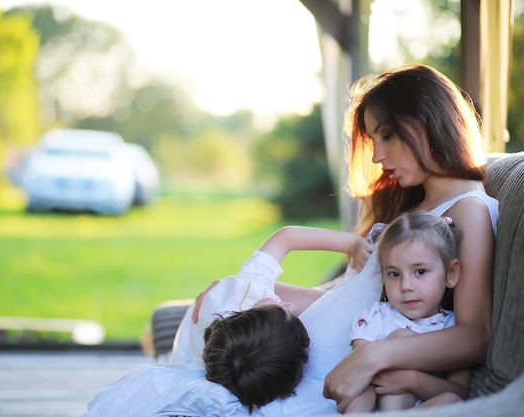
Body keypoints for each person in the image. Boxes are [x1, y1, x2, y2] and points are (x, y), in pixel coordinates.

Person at [82, 64, 499, 417]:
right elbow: (357, 297)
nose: (376, 157)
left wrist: (374, 356)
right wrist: (249, 291)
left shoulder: (468, 210)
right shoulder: (420, 204)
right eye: (374, 140)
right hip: (304, 347)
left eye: (385, 135)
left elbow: (472, 335)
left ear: (425, 121)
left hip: (326, 368)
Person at [171, 225, 374, 413]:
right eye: (290, 312)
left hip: (194, 329)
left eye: (280, 308)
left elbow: (286, 237)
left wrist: (351, 244)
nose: (291, 306)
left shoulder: (250, 286)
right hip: (188, 351)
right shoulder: (229, 365)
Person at [344, 212, 469, 413]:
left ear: (450, 273)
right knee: (362, 387)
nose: (406, 286)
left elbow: (460, 390)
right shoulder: (377, 316)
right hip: (373, 407)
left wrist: (412, 380)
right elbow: (358, 373)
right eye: (394, 274)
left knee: (452, 400)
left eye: (420, 271)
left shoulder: (453, 331)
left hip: (419, 410)